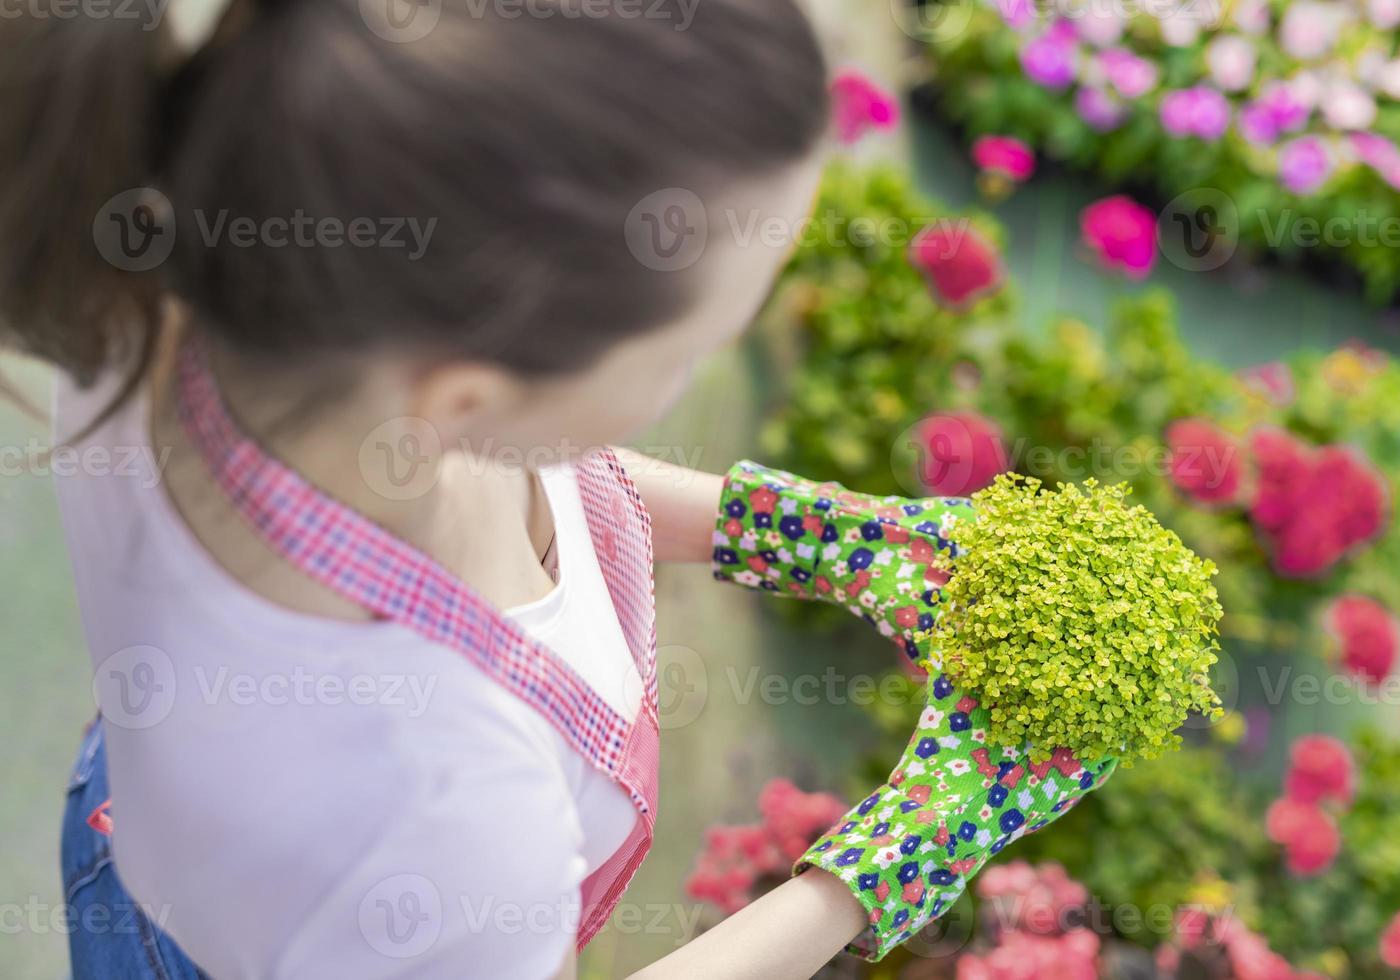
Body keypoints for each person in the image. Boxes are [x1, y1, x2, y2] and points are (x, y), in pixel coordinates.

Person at [3, 1, 1113, 976]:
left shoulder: (192, 290)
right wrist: (881, 866)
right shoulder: (445, 812)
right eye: (690, 348)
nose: (693, 369)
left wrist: (815, 535)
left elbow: (548, 477)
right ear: (472, 392)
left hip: (155, 833)